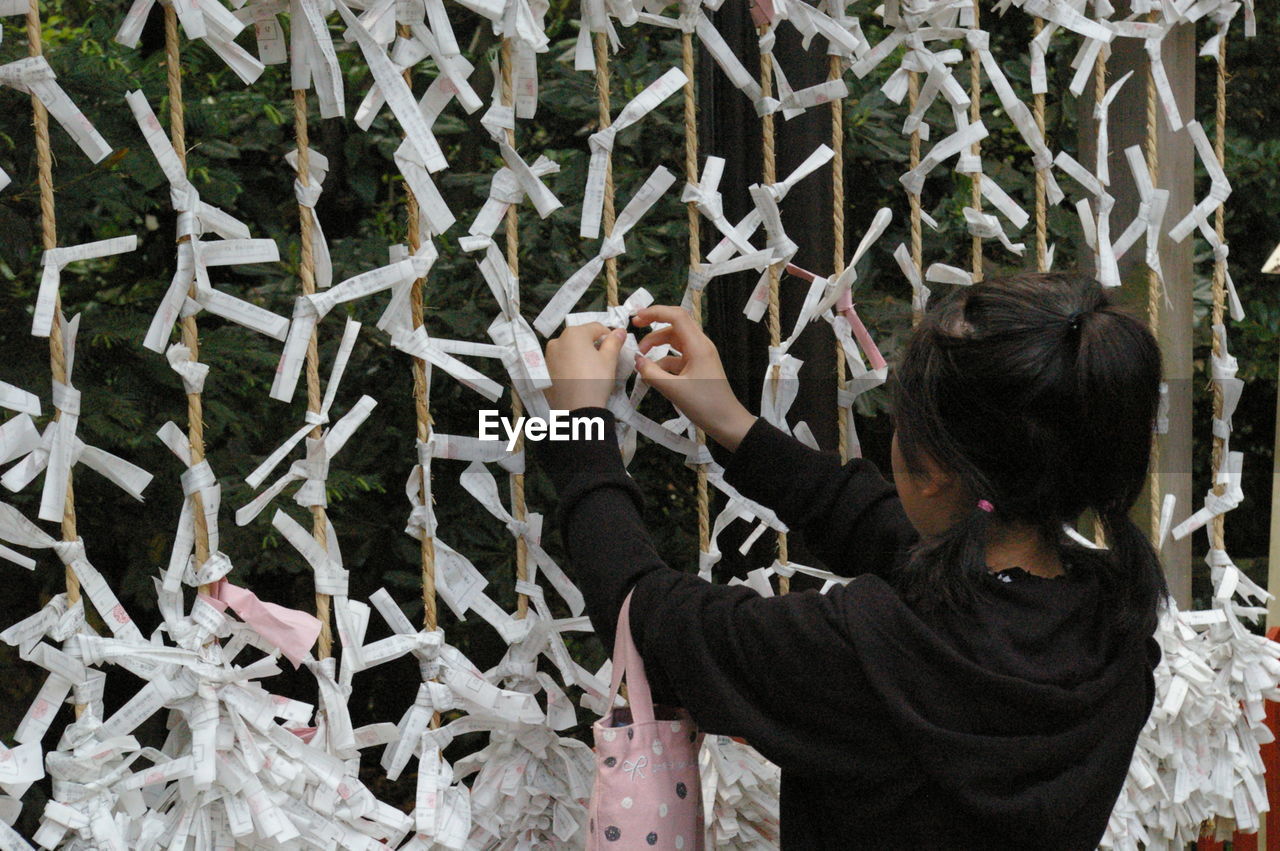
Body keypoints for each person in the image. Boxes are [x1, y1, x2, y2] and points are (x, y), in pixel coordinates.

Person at [537, 271, 1166, 849]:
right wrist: (732, 423)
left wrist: (575, 431)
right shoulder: (1116, 621)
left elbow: (647, 620)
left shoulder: (871, 653)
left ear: (933, 473)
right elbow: (891, 531)